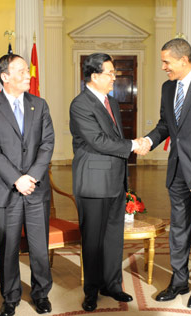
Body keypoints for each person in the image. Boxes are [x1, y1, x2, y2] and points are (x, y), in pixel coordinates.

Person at [137, 38, 191, 308]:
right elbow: (166, 124)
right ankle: (178, 281)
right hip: (176, 170)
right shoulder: (167, 88)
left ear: (184, 60)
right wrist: (148, 141)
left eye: (167, 61)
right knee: (178, 229)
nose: (163, 67)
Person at [0, 54, 54, 316]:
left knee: (39, 246)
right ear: (5, 77)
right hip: (6, 189)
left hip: (36, 188)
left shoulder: (40, 105)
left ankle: (41, 294)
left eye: (27, 70)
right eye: (21, 71)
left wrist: (30, 177)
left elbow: (47, 144)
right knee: (8, 246)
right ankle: (10, 297)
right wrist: (16, 179)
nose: (28, 75)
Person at [70, 53, 146, 312]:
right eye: (110, 73)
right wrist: (134, 145)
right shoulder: (80, 104)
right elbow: (98, 141)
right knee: (92, 239)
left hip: (115, 181)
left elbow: (114, 139)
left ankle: (112, 285)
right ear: (94, 76)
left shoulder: (111, 102)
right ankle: (91, 291)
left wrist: (129, 147)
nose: (115, 77)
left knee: (114, 236)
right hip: (92, 181)